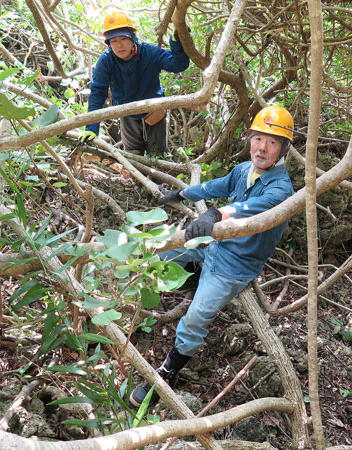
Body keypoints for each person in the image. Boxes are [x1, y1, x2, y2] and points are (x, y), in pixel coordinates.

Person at [129, 105, 295, 407]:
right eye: (258, 138)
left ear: (284, 149)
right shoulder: (244, 170)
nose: (262, 147)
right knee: (161, 261)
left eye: (272, 142)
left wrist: (217, 213)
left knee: (195, 318)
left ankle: (168, 373)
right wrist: (182, 194)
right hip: (214, 244)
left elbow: (247, 210)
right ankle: (194, 279)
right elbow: (217, 185)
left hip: (236, 263)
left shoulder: (282, 190)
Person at [78, 11, 190, 154]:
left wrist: (177, 42)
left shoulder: (149, 52)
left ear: (132, 37)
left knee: (157, 158)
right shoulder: (106, 61)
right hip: (127, 116)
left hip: (154, 112)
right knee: (133, 157)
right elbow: (97, 94)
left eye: (123, 38)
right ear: (109, 44)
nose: (119, 45)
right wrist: (91, 128)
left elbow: (177, 65)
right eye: (113, 41)